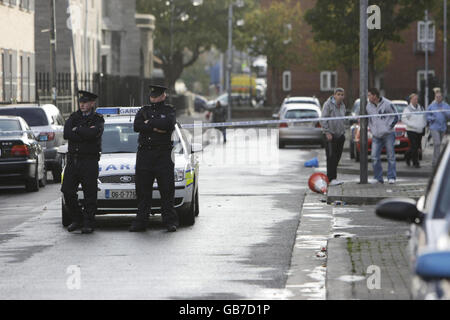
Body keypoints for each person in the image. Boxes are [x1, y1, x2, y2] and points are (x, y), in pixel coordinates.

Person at [131, 85, 179, 233]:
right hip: (145, 155)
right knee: (143, 191)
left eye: (157, 95)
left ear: (163, 96)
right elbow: (137, 126)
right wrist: (156, 127)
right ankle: (141, 222)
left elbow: (169, 124)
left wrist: (149, 124)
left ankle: (170, 221)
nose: (153, 97)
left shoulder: (169, 110)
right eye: (152, 95)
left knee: (167, 190)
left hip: (163, 155)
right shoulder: (143, 110)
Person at [62, 90, 105, 234]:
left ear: (92, 103)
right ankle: (77, 218)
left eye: (85, 102)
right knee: (67, 191)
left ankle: (88, 222)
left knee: (89, 193)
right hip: (73, 160)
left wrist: (78, 130)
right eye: (81, 102)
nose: (82, 105)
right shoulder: (74, 117)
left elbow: (94, 134)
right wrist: (84, 132)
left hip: (89, 160)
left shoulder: (98, 119)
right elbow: (67, 134)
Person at [366, 88, 399, 184]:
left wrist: (388, 127)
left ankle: (391, 177)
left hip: (388, 134)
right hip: (376, 135)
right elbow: (368, 119)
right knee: (374, 156)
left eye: (369, 95)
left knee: (391, 156)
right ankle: (378, 178)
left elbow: (396, 116)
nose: (368, 97)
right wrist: (372, 129)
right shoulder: (368, 106)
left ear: (374, 96)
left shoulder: (388, 104)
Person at [320, 88, 346, 186]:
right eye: (338, 94)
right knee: (331, 157)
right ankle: (331, 178)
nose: (340, 96)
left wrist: (343, 132)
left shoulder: (343, 106)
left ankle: (332, 177)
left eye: (342, 95)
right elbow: (323, 119)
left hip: (340, 135)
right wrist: (327, 132)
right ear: (334, 95)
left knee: (337, 157)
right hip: (330, 135)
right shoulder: (328, 105)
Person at [426, 88, 450, 167]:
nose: (438, 98)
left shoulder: (446, 105)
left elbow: (449, 115)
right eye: (437, 97)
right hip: (434, 127)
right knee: (437, 143)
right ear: (435, 97)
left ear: (442, 97)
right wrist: (432, 119)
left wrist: (444, 111)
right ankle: (436, 161)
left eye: (439, 97)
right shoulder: (432, 106)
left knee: (438, 145)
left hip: (442, 128)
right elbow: (427, 115)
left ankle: (435, 161)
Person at [402, 93, 427, 168]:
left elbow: (424, 117)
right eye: (414, 99)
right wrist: (411, 124)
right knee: (414, 146)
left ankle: (407, 156)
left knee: (416, 147)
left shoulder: (421, 108)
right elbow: (403, 119)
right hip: (411, 130)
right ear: (411, 100)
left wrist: (423, 124)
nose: (416, 100)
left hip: (419, 130)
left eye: (417, 99)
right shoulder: (407, 109)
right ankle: (416, 163)